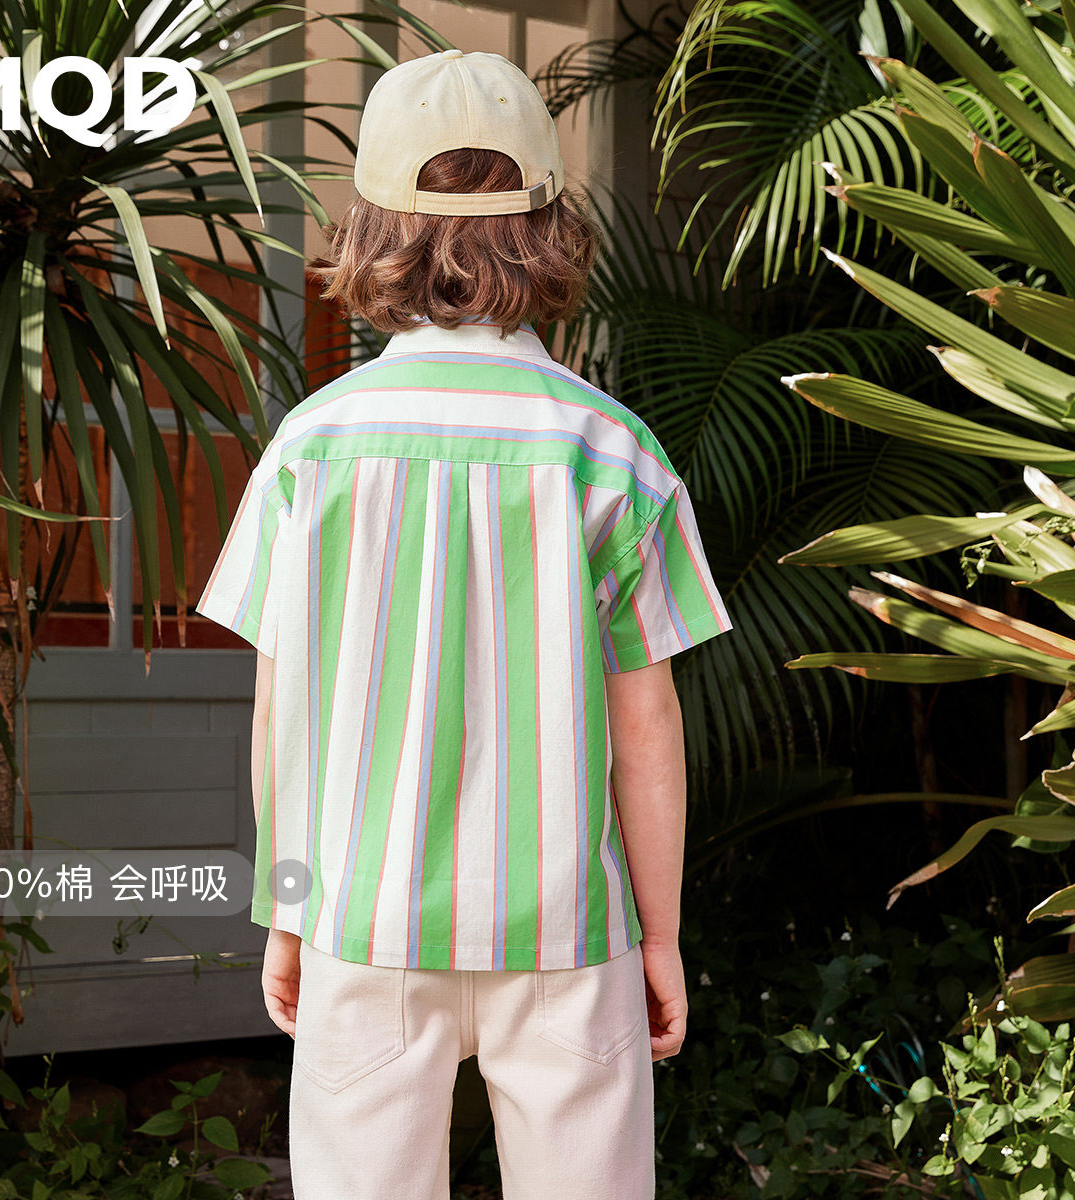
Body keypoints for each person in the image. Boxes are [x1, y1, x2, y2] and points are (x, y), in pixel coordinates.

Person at [196, 47, 733, 1200]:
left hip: (361, 919)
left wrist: (286, 916)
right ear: (547, 226)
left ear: (371, 227)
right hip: (567, 932)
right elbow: (647, 722)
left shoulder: (312, 446)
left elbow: (282, 719)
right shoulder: (610, 449)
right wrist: (659, 935)